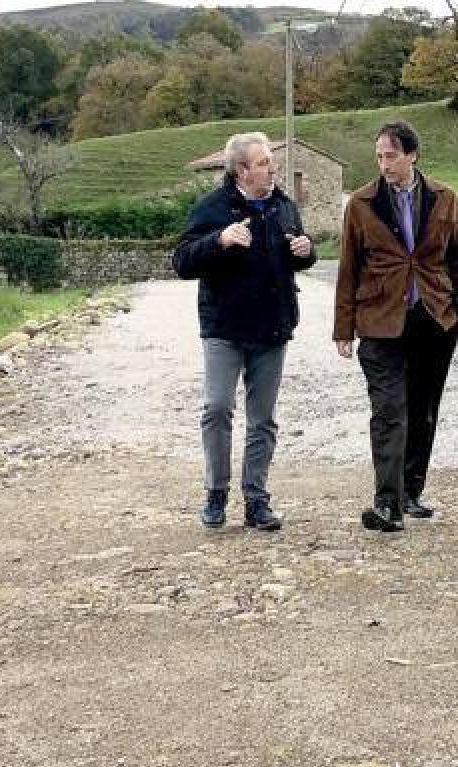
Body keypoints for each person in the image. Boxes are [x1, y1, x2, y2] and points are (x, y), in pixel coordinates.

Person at [334, 120, 458, 533]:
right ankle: (387, 503)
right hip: (379, 322)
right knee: (388, 411)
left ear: (412, 156)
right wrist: (343, 327)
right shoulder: (361, 204)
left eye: (392, 156)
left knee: (423, 410)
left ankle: (411, 490)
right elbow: (348, 268)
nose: (384, 164)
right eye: (379, 157)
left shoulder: (445, 199)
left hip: (433, 320)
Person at [172, 132, 316, 531]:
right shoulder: (212, 208)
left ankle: (256, 499)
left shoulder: (284, 206)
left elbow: (298, 257)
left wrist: (306, 251)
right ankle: (216, 493)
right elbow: (182, 261)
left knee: (263, 420)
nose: (272, 168)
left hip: (272, 328)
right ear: (241, 170)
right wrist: (219, 240)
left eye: (270, 161)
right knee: (217, 408)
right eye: (264, 162)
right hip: (225, 329)